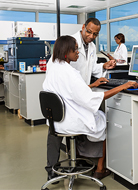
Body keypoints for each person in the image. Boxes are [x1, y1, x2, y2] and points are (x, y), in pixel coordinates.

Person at [43, 35, 138, 181]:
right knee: (105, 119)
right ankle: (100, 169)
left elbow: (68, 91)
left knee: (96, 114)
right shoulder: (70, 73)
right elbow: (91, 99)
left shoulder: (54, 69)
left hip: (56, 122)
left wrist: (92, 85)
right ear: (65, 52)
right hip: (70, 122)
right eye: (75, 50)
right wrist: (123, 86)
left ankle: (81, 158)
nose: (78, 52)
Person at [45, 18, 117, 182]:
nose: (91, 36)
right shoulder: (68, 43)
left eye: (95, 34)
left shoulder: (91, 46)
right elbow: (56, 65)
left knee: (63, 129)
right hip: (68, 97)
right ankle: (52, 168)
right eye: (89, 32)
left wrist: (103, 67)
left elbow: (90, 68)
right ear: (83, 27)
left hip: (79, 93)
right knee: (57, 134)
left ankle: (76, 160)